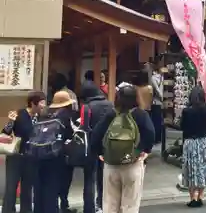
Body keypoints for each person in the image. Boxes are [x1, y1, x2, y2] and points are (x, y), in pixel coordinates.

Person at [91, 84, 155, 213]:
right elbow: (151, 133)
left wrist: (100, 152)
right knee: (130, 205)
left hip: (111, 164)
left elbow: (96, 134)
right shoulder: (141, 114)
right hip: (133, 162)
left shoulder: (111, 114)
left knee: (110, 204)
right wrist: (145, 151)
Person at [2, 91, 46, 213]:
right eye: (41, 102)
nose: (43, 106)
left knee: (27, 189)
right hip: (16, 157)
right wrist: (10, 121)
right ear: (33, 103)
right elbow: (5, 132)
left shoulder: (40, 118)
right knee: (11, 188)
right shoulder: (19, 114)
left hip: (31, 158)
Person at [31, 91, 75, 213]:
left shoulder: (44, 114)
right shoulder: (65, 116)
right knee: (52, 189)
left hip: (39, 155)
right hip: (55, 157)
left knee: (40, 189)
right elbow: (69, 136)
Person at [79, 80, 114, 213]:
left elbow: (84, 127)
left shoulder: (87, 107)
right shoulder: (110, 105)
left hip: (91, 146)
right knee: (105, 177)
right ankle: (103, 204)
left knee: (89, 178)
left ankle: (89, 208)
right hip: (107, 146)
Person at [180, 86, 206, 207]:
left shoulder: (186, 111)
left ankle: (192, 198)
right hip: (204, 142)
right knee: (203, 168)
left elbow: (182, 126)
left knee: (191, 170)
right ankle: (200, 196)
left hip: (190, 143)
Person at [150, 66, 164, 144]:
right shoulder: (162, 77)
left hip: (156, 101)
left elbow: (157, 89)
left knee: (155, 120)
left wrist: (161, 96)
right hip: (161, 102)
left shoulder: (153, 78)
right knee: (160, 120)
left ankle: (156, 138)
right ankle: (159, 138)